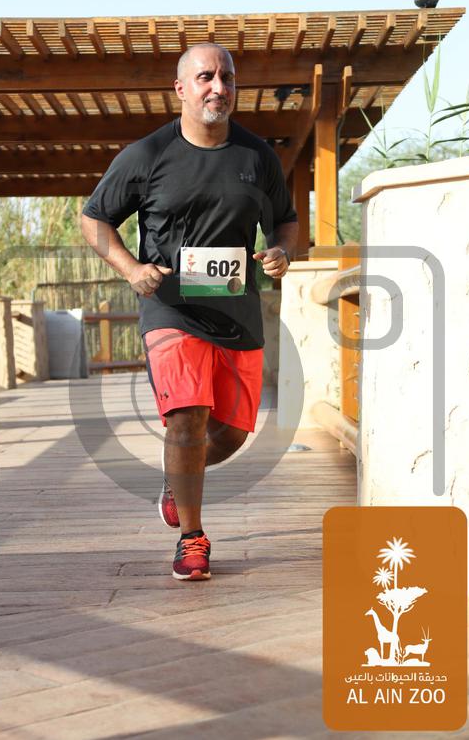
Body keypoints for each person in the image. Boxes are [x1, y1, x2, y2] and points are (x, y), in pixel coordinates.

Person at [82, 42, 298, 581]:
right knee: (187, 417)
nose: (218, 87)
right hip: (171, 308)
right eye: (205, 77)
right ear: (180, 88)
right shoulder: (147, 155)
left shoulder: (256, 157)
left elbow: (286, 220)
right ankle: (192, 538)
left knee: (231, 433)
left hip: (237, 311)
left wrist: (282, 251)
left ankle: (176, 480)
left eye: (227, 77)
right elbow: (94, 218)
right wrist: (131, 268)